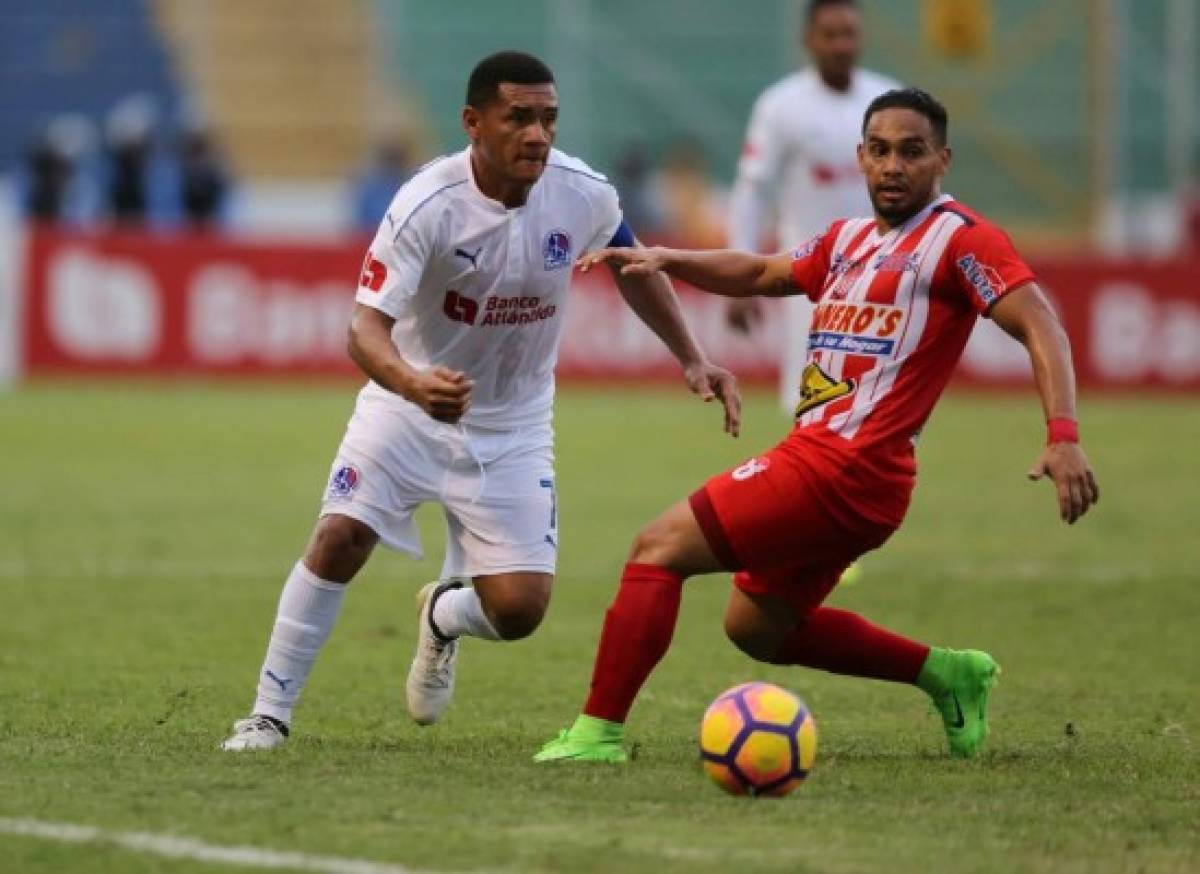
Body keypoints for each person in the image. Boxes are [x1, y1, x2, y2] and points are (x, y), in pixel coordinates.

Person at [536, 87, 1099, 764]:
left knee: (657, 548)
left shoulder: (962, 241)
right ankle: (948, 674)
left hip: (846, 468)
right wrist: (670, 258)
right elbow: (766, 272)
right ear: (861, 157)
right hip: (845, 475)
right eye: (881, 151)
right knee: (758, 629)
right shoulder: (849, 238)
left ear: (942, 159)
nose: (894, 166)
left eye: (912, 152)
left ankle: (598, 733)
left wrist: (1063, 436)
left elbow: (1039, 320)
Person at [220, 51, 740, 751]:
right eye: (518, 118)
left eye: (548, 118)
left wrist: (692, 355)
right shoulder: (425, 205)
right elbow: (362, 328)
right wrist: (411, 383)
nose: (537, 134)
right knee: (339, 537)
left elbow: (630, 263)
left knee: (520, 610)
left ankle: (442, 615)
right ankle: (268, 714)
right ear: (473, 123)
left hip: (514, 425)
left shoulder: (580, 193)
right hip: (407, 408)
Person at [726, 0, 899, 412]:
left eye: (849, 34)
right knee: (813, 397)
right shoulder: (781, 106)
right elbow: (753, 192)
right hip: (810, 273)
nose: (842, 45)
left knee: (886, 400)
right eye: (831, 34)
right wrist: (740, 276)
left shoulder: (888, 101)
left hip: (887, 272)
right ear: (809, 39)